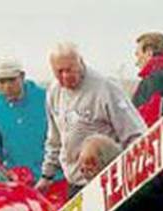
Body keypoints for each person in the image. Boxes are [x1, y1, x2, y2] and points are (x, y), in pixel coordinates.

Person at [36, 42, 146, 197]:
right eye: (59, 72)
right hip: (75, 182)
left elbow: (135, 134)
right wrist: (47, 176)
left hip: (107, 182)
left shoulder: (105, 88)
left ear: (80, 63)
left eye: (70, 70)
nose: (65, 76)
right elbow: (55, 139)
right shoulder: (54, 92)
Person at [0, 56, 51, 182]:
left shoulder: (47, 99)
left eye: (12, 80)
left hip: (53, 179)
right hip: (18, 181)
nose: (7, 86)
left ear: (22, 76)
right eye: (1, 82)